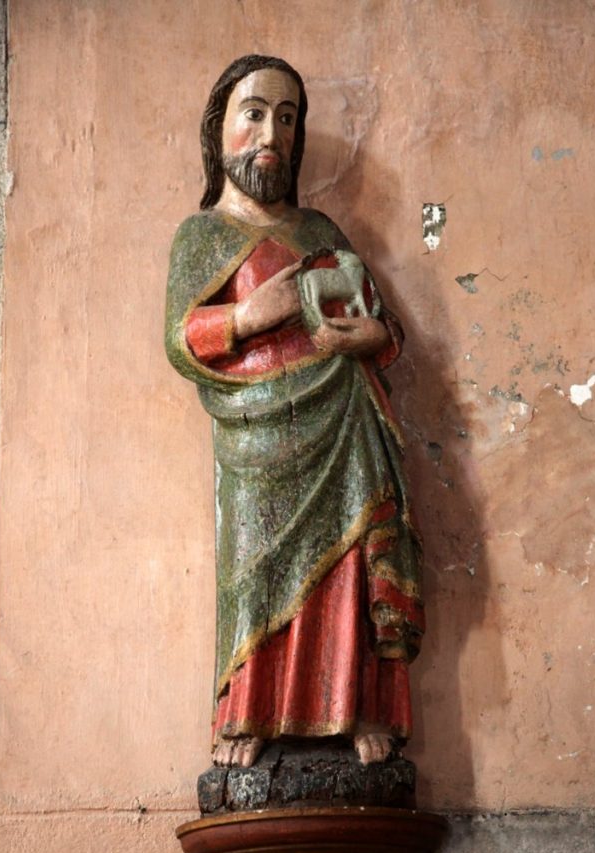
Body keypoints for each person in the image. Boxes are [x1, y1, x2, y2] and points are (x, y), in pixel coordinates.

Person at [165, 55, 424, 769]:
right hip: (255, 444)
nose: (269, 132)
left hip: (341, 424)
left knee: (346, 568)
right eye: (252, 113)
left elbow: (383, 325)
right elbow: (180, 340)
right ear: (218, 129)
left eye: (286, 116)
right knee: (255, 569)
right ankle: (249, 713)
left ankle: (358, 709)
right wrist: (246, 317)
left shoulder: (320, 231)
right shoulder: (202, 237)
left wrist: (375, 338)